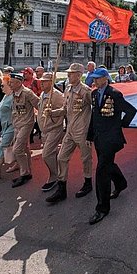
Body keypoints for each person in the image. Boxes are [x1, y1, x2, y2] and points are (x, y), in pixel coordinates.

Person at [86, 68, 137, 225]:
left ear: (105, 79)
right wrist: (89, 135)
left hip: (111, 139)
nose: (94, 81)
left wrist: (120, 125)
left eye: (96, 79)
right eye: (93, 79)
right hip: (99, 138)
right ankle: (121, 183)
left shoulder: (115, 94)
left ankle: (102, 208)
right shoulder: (94, 94)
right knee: (107, 165)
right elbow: (94, 116)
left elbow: (131, 111)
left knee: (101, 171)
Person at [46, 63, 93, 204]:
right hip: (70, 131)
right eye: (68, 73)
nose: (68, 75)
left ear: (79, 75)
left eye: (71, 73)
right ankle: (61, 187)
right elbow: (65, 109)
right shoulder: (68, 89)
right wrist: (52, 112)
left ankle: (88, 182)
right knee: (61, 157)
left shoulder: (86, 91)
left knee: (86, 159)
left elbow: (95, 109)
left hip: (82, 131)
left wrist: (92, 130)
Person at [10, 72, 41, 187]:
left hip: (26, 124)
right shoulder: (14, 93)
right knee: (25, 148)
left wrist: (43, 120)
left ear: (19, 83)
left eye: (12, 82)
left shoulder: (27, 93)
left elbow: (39, 105)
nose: (10, 84)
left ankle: (24, 174)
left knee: (17, 150)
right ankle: (28, 172)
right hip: (17, 123)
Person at [37, 72, 66, 192]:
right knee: (51, 153)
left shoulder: (57, 95)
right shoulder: (43, 94)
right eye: (41, 81)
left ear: (51, 82)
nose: (41, 83)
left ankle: (55, 176)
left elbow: (64, 110)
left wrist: (53, 113)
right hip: (44, 130)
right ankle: (57, 173)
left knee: (46, 154)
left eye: (44, 81)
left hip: (54, 128)